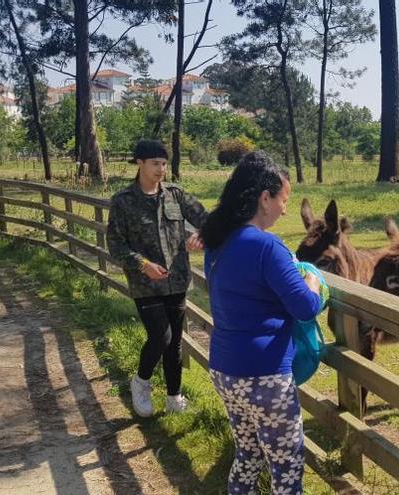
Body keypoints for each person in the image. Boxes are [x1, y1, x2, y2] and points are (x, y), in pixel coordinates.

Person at [200, 151, 322, 495]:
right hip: (264, 376)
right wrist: (312, 282)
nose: (286, 208)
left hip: (225, 369)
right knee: (286, 466)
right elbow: (305, 307)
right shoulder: (268, 247)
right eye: (284, 199)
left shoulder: (218, 239)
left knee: (249, 452)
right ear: (264, 198)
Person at [107, 139, 207, 417]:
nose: (161, 169)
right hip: (145, 284)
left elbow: (207, 220)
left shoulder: (176, 195)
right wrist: (143, 264)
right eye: (155, 163)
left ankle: (174, 396)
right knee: (160, 337)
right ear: (139, 163)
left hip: (176, 280)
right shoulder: (123, 201)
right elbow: (115, 245)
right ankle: (141, 382)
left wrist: (201, 234)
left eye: (164, 163)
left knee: (175, 341)